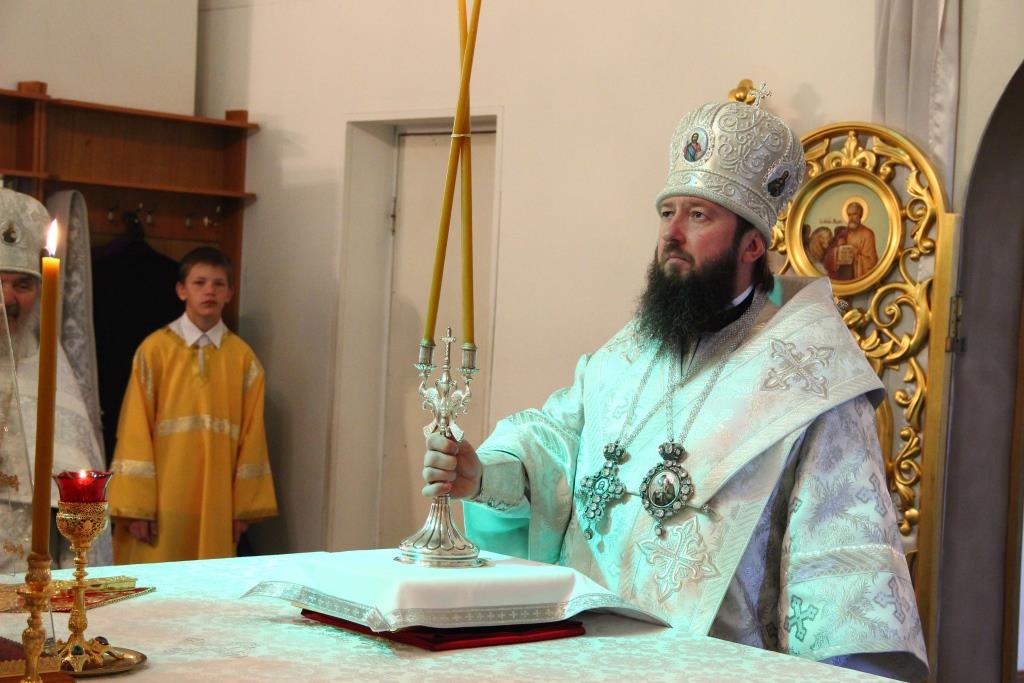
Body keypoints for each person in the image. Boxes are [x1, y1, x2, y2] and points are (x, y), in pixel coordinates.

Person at [421, 100, 927, 680]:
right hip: (574, 657)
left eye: (699, 216)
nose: (672, 233)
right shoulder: (628, 354)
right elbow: (556, 441)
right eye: (667, 213)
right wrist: (485, 475)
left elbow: (841, 573)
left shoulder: (814, 381)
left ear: (752, 245)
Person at [108, 247, 277, 563]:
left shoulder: (244, 360)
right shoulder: (154, 350)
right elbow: (134, 429)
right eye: (199, 283)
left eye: (218, 284)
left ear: (230, 293)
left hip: (217, 500)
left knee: (207, 581)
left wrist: (243, 510)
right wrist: (136, 507)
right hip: (163, 500)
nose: (209, 291)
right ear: (181, 290)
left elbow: (253, 438)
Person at [0, 189, 111, 572]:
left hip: (30, 561)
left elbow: (76, 496)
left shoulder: (52, 372)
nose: (7, 299)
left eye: (22, 285)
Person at [824, 201, 878, 281]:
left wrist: (855, 253)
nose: (851, 218)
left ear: (860, 215)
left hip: (857, 276)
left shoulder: (867, 234)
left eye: (854, 214)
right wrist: (837, 250)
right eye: (849, 215)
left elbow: (871, 262)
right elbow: (829, 255)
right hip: (843, 275)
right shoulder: (844, 232)